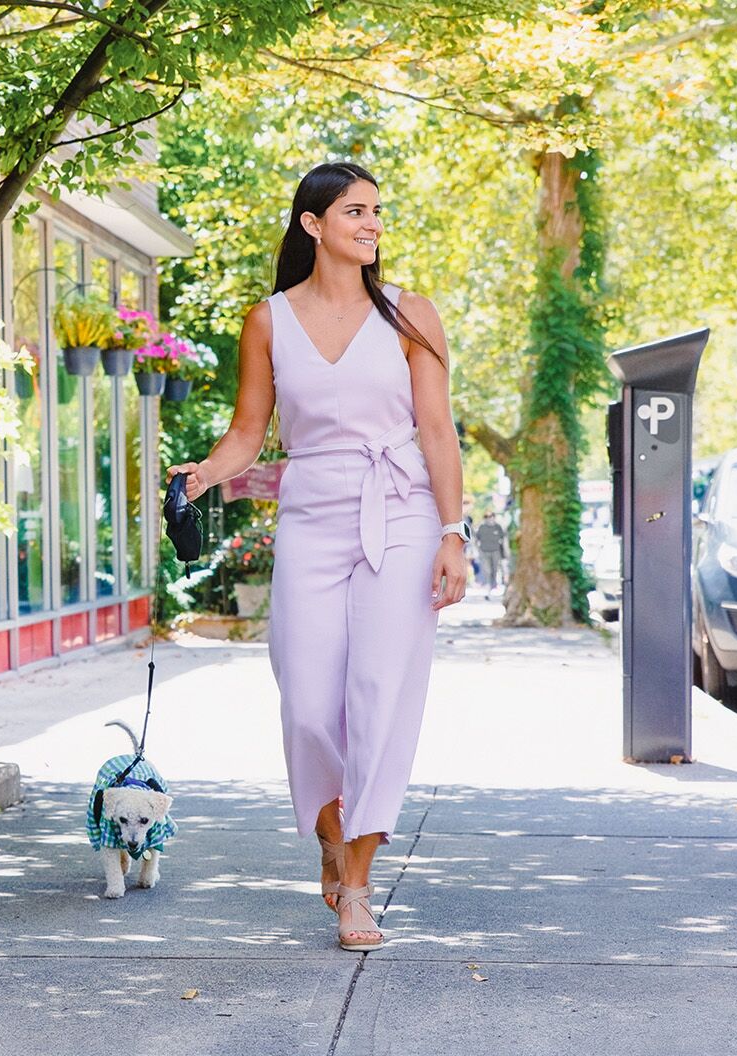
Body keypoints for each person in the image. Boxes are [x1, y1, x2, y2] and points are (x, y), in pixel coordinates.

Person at [165, 162, 467, 952]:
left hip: (401, 510)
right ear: (313, 224)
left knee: (378, 697)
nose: (372, 224)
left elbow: (438, 431)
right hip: (312, 511)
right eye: (356, 211)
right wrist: (197, 477)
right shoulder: (269, 320)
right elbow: (248, 433)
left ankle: (358, 886)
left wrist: (452, 532)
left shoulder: (411, 315)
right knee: (305, 702)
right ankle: (332, 831)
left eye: (377, 211)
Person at [474, 511, 509, 597]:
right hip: (484, 552)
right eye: (487, 517)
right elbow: (476, 539)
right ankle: (488, 586)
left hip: (495, 552)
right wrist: (478, 550)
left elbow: (503, 538)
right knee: (487, 570)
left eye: (491, 516)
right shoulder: (482, 527)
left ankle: (493, 585)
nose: (489, 518)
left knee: (494, 569)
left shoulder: (498, 527)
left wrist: (505, 551)